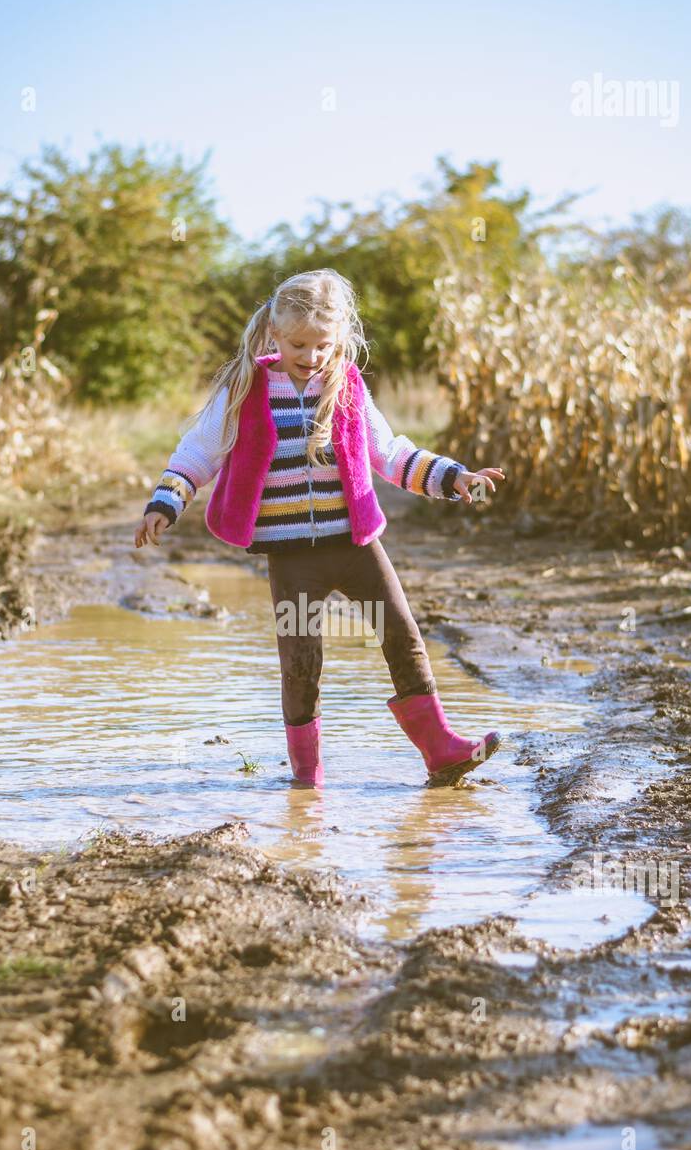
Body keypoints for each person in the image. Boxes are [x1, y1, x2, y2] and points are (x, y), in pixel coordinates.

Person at [134, 268, 505, 788]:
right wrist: (165, 503)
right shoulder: (247, 389)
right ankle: (307, 781)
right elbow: (198, 451)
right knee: (302, 661)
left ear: (342, 340)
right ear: (274, 335)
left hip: (355, 548)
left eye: (322, 345)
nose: (310, 356)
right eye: (298, 344)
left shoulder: (347, 386)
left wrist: (453, 477)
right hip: (292, 559)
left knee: (401, 634)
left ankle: (440, 750)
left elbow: (391, 454)